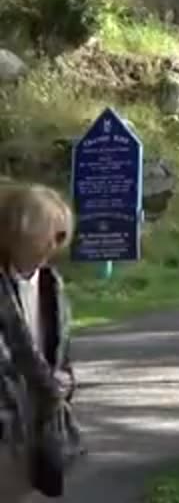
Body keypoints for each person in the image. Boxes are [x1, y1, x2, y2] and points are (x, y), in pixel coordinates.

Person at [0, 184, 82, 503]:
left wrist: (65, 382)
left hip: (42, 433)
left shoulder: (51, 284)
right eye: (51, 233)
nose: (56, 243)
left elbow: (61, 355)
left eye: (62, 234)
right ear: (20, 233)